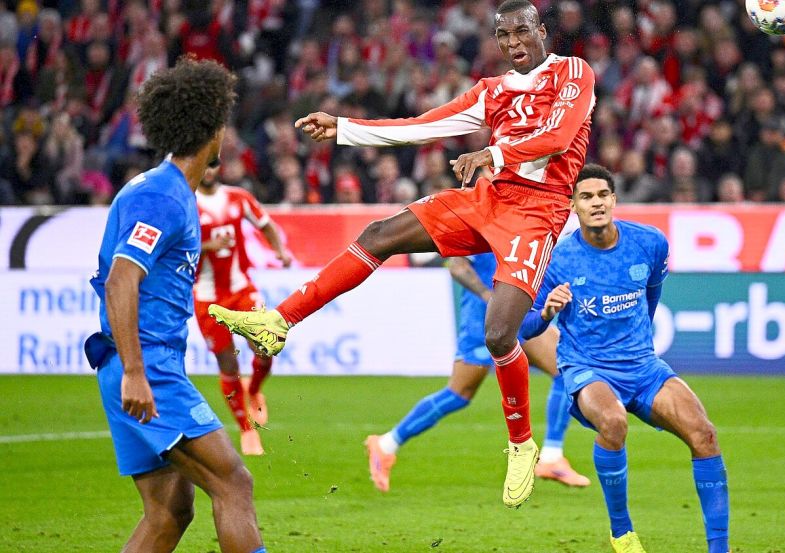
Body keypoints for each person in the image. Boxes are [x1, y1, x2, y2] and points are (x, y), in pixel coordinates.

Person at [210, 0, 595, 509]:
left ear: (540, 30)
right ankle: (279, 321)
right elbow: (423, 125)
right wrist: (345, 129)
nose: (512, 43)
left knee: (499, 333)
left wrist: (493, 153)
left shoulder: (573, 72)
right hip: (488, 199)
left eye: (521, 31)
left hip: (536, 212)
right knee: (379, 234)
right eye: (503, 36)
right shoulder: (493, 91)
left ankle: (522, 444)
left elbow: (560, 135)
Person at [85, 58, 266, 553]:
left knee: (169, 512)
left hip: (132, 361)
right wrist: (137, 372)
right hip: (146, 366)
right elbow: (123, 279)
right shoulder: (164, 197)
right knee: (233, 482)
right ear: (213, 127)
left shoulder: (167, 190)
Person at [520, 165, 729, 553]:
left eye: (602, 195)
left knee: (705, 435)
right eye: (586, 197)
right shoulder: (558, 259)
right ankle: (622, 532)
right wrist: (547, 313)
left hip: (644, 368)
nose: (596, 203)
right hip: (588, 368)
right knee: (613, 422)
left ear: (614, 200)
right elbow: (524, 328)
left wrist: (641, 348)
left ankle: (720, 549)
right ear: (573, 205)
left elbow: (651, 296)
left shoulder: (650, 244)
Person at [365, 252, 591, 492]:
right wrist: (490, 297)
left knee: (565, 370)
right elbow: (457, 266)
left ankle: (551, 457)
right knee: (458, 394)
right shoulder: (486, 222)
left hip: (518, 314)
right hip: (484, 320)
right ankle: (387, 444)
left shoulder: (529, 225)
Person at [194, 167, 293, 456]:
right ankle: (247, 429)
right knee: (228, 365)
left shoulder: (239, 198)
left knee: (265, 345)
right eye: (205, 165)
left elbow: (265, 224)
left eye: (214, 165)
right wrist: (208, 245)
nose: (209, 170)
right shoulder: (188, 204)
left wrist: (278, 250)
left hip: (241, 288)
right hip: (207, 297)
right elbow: (175, 247)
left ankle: (254, 390)